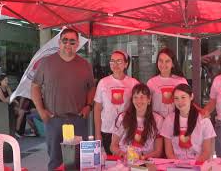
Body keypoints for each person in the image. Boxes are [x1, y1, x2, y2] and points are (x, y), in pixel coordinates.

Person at [31, 28, 95, 170]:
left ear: (77, 44)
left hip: (77, 120)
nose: (68, 44)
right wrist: (41, 110)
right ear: (59, 42)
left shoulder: (85, 65)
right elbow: (35, 86)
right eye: (64, 40)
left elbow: (91, 87)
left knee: (77, 161)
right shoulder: (46, 62)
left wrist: (88, 106)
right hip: (54, 120)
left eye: (72, 42)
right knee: (55, 160)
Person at [94, 50, 139, 155]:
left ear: (126, 64)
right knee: (110, 162)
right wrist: (97, 133)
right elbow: (97, 108)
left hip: (126, 131)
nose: (115, 64)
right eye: (112, 61)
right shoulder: (103, 82)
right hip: (107, 129)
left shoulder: (133, 83)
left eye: (119, 61)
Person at [161, 83, 216, 161]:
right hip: (177, 165)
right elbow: (169, 153)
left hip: (198, 165)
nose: (180, 101)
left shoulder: (203, 120)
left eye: (183, 97)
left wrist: (193, 166)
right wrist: (179, 165)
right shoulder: (169, 120)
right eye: (176, 98)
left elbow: (206, 152)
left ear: (191, 97)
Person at [110, 83, 163, 159]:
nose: (139, 101)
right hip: (124, 160)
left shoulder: (158, 119)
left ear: (149, 99)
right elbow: (113, 146)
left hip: (146, 162)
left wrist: (142, 157)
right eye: (135, 97)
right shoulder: (122, 117)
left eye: (142, 97)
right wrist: (123, 154)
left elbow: (158, 152)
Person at [147, 48, 188, 118]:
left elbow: (189, 101)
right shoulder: (151, 82)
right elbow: (147, 104)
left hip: (176, 122)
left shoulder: (181, 81)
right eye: (160, 61)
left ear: (173, 64)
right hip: (157, 123)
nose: (163, 64)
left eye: (167, 61)